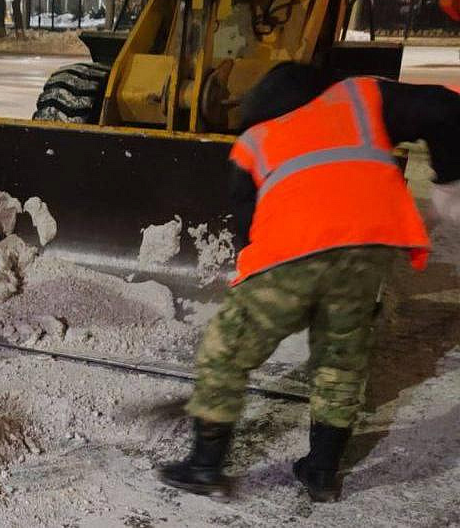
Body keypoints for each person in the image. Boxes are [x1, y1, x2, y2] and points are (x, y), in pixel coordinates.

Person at [158, 62, 460, 502]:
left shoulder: (252, 142)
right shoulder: (361, 96)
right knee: (341, 357)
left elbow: (249, 229)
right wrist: (449, 180)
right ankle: (321, 473)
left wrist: (266, 296)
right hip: (369, 246)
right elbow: (447, 106)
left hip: (292, 251)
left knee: (226, 352)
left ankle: (204, 468)